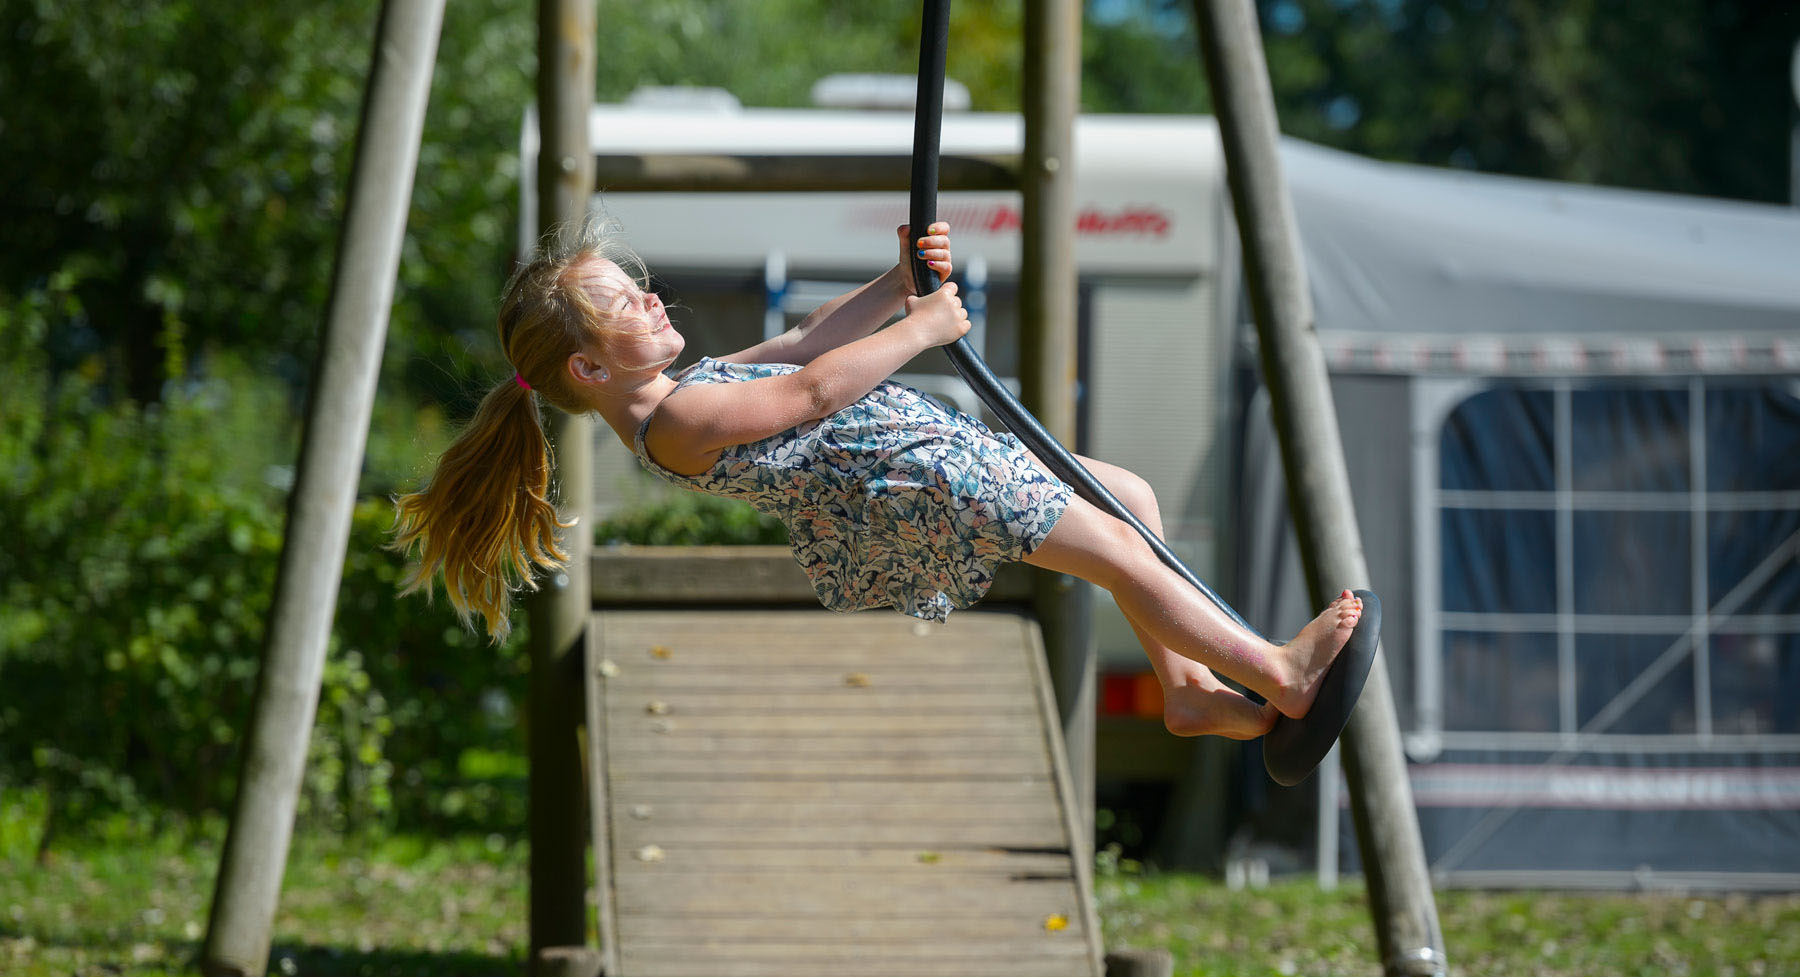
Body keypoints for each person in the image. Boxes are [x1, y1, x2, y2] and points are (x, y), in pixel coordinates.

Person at [392, 218, 1362, 741]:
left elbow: (811, 340)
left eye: (636, 285)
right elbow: (815, 386)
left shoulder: (692, 385)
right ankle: (1275, 670)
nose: (649, 296)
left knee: (1132, 502)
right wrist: (924, 329)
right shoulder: (678, 422)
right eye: (622, 304)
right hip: (919, 479)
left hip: (931, 452)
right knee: (1115, 548)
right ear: (590, 371)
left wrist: (894, 283)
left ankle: (1188, 689)